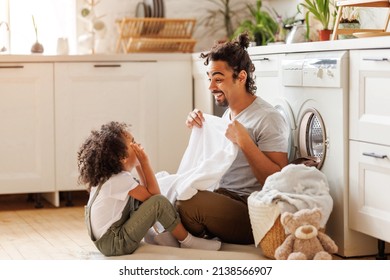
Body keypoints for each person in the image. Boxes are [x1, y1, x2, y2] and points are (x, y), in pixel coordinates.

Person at [176, 32, 290, 245]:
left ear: (242, 77)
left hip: (252, 210)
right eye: (210, 79)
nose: (211, 87)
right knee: (172, 191)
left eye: (218, 79)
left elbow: (277, 182)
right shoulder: (229, 114)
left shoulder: (268, 117)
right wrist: (201, 127)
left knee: (186, 203)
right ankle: (202, 231)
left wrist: (245, 142)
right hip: (224, 196)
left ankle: (199, 234)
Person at [77, 121, 221, 256]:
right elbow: (155, 198)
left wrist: (139, 165)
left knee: (141, 200)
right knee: (157, 203)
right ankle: (188, 242)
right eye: (132, 142)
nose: (137, 144)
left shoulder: (111, 177)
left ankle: (161, 236)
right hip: (114, 243)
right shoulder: (120, 180)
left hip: (107, 241)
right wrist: (144, 163)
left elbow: (147, 194)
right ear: (122, 157)